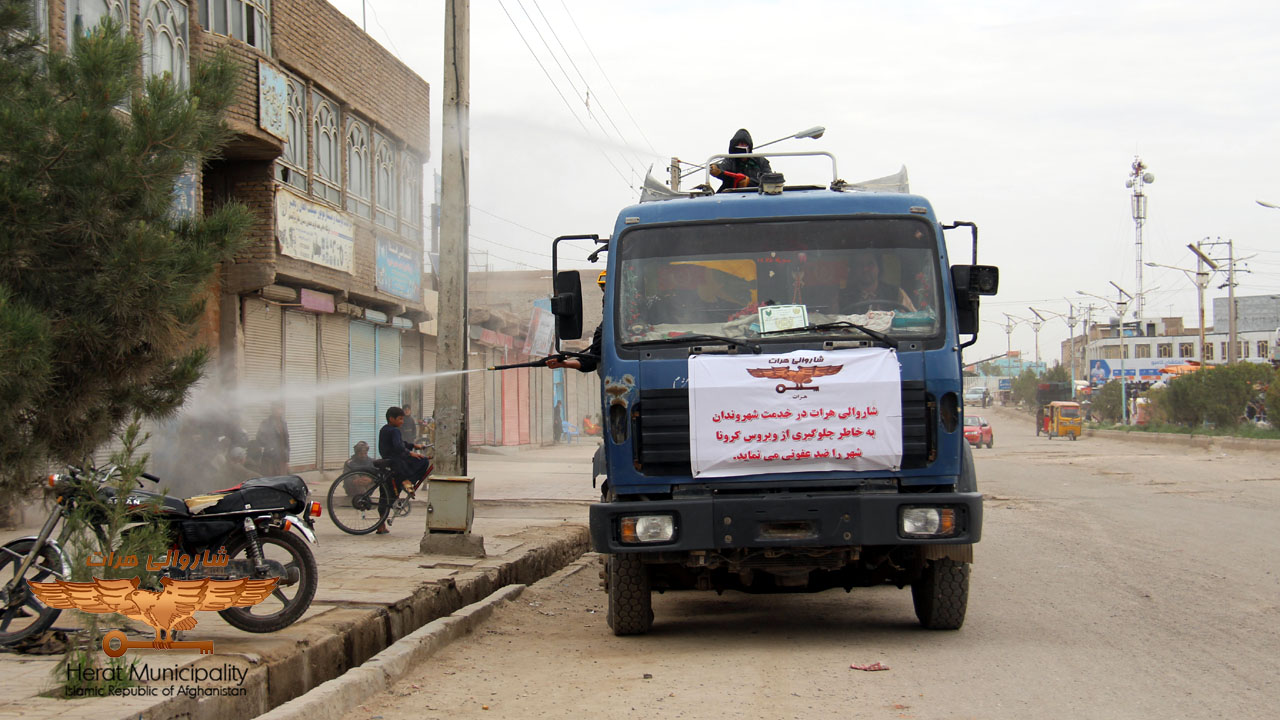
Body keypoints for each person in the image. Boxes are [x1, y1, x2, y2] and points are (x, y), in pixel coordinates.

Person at [376, 406, 431, 534]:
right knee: (423, 461)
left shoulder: (385, 429)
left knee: (385, 494)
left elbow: (401, 444)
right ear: (391, 419)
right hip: (396, 462)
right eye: (400, 419)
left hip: (388, 462)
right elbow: (399, 447)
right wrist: (411, 453)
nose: (402, 421)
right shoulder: (394, 431)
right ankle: (407, 482)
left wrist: (414, 446)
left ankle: (380, 525)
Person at [839, 252, 917, 314]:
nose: (865, 269)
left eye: (870, 264)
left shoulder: (897, 294)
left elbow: (912, 320)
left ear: (879, 268)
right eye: (860, 264)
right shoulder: (842, 297)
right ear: (854, 269)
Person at [255, 402, 290, 476]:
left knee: (282, 477)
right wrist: (269, 447)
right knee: (270, 477)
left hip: (282, 457)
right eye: (276, 409)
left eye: (279, 408)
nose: (278, 411)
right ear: (272, 410)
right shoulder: (266, 423)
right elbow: (259, 438)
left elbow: (287, 441)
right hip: (270, 457)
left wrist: (287, 458)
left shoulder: (283, 423)